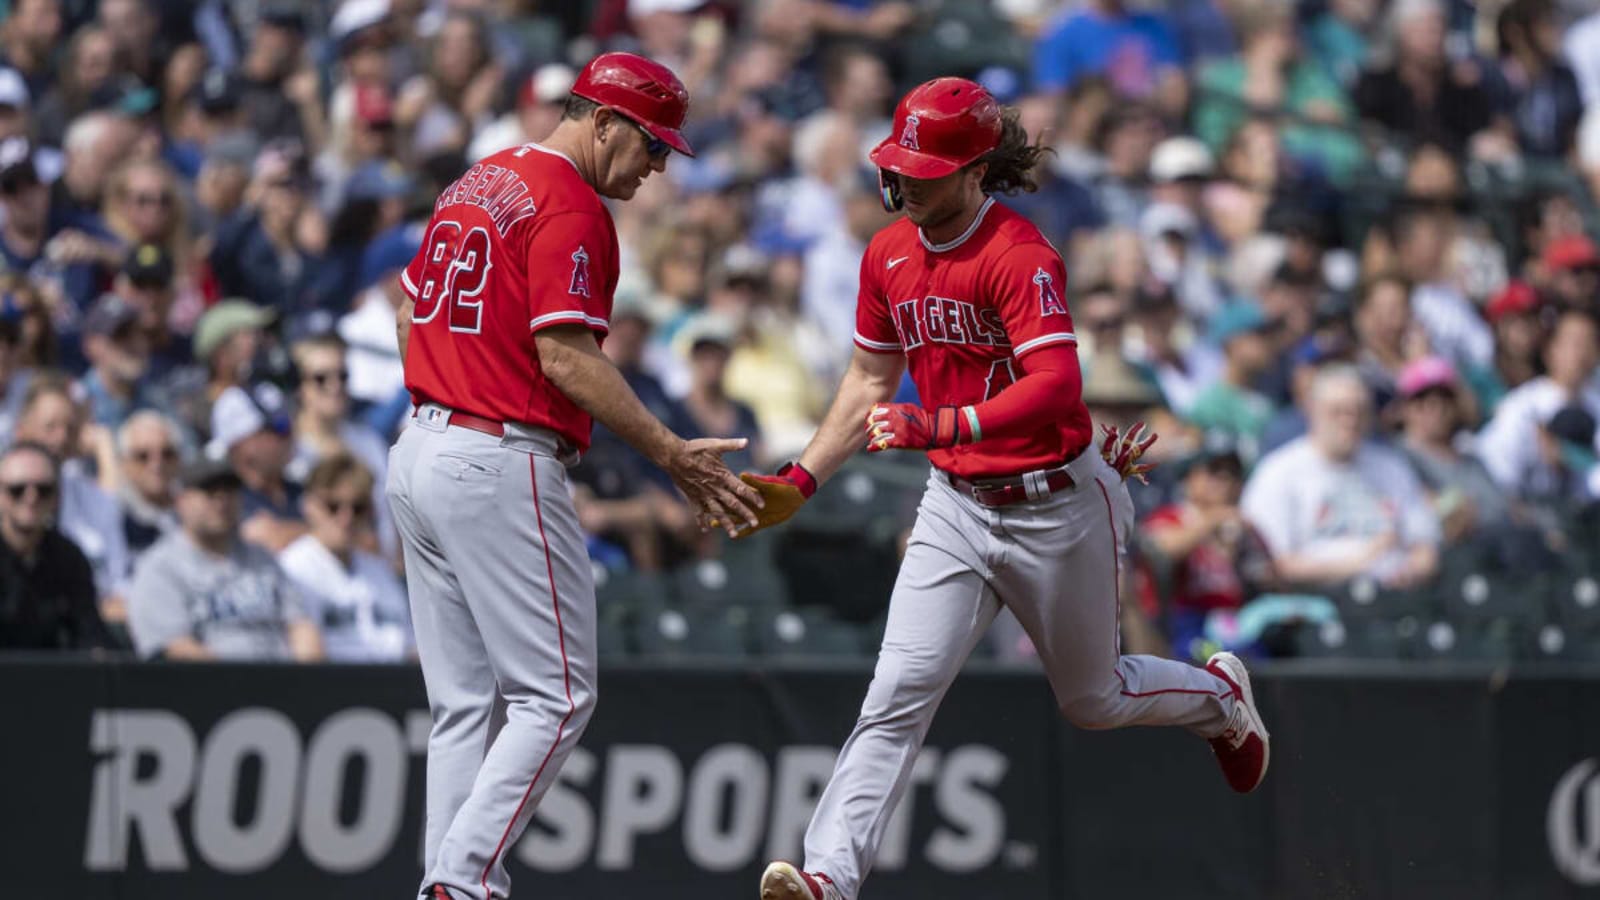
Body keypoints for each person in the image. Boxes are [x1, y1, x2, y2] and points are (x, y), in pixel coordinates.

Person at [751, 78, 1268, 900]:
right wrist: (803, 477)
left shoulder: (1018, 253)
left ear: (975, 170)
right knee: (896, 693)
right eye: (900, 164)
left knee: (1093, 699)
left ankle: (1218, 696)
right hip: (956, 505)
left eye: (925, 167)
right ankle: (827, 879)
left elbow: (1059, 385)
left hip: (1056, 502)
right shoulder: (887, 253)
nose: (905, 181)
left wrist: (943, 425)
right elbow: (865, 381)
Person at [384, 52, 760, 900]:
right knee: (556, 698)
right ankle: (462, 880)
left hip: (422, 446)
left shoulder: (480, 179)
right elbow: (563, 354)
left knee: (463, 704)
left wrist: (446, 386)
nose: (658, 165)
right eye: (652, 146)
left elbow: (409, 304)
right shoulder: (570, 201)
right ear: (602, 122)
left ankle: (447, 883)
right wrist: (669, 452)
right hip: (496, 454)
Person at [1242, 365, 1440, 589]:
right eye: (1338, 411)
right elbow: (1273, 565)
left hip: (1397, 597)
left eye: (1359, 411)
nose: (1350, 421)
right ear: (1312, 411)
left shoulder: (1391, 467)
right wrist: (1360, 563)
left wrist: (1412, 571)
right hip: (1319, 601)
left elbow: (1424, 545)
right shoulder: (1278, 473)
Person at [125, 456, 323, 661]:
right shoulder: (160, 568)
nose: (222, 501)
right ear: (181, 500)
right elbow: (175, 648)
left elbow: (301, 625)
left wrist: (305, 679)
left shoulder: (262, 558)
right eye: (210, 492)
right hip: (208, 687)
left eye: (229, 491)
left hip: (283, 684)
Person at [278, 454, 410, 662]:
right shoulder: (292, 567)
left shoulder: (379, 571)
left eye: (357, 508)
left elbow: (411, 648)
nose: (346, 518)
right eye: (333, 506)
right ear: (308, 506)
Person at [0, 441, 112, 651]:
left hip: (53, 679)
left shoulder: (69, 558)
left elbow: (89, 633)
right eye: (17, 489)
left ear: (57, 497)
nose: (31, 498)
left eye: (43, 490)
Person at [113, 410, 180, 559]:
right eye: (143, 456)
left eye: (167, 454)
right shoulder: (115, 519)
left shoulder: (192, 508)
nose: (157, 464)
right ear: (124, 464)